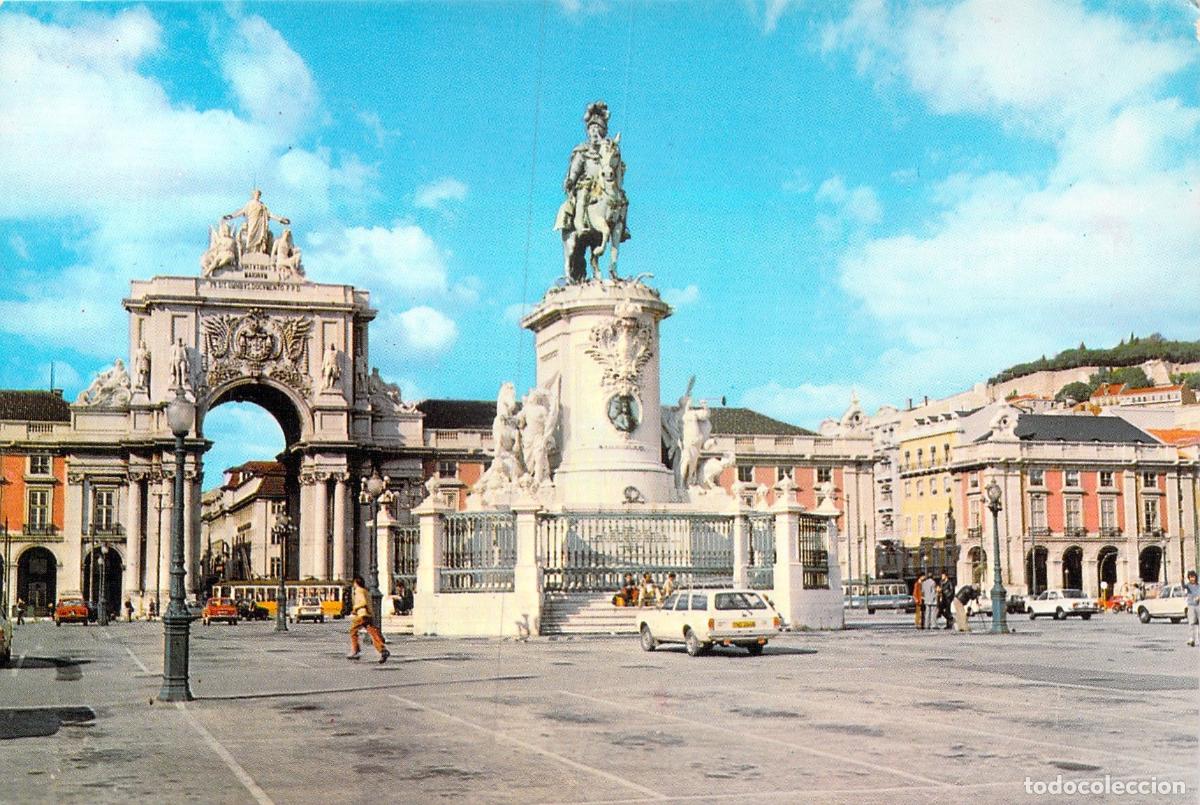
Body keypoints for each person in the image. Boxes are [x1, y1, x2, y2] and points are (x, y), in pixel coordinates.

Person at [223, 189, 290, 255]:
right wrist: (231, 216)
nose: (257, 196)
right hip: (252, 222)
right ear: (253, 195)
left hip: (260, 224)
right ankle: (249, 251)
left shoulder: (262, 205)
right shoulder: (249, 204)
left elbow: (270, 214)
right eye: (256, 194)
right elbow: (241, 211)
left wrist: (281, 219)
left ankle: (259, 251)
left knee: (261, 238)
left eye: (259, 195)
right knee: (251, 235)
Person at [348, 575, 389, 663]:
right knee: (373, 634)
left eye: (354, 583)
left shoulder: (359, 591)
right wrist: (371, 614)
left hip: (361, 615)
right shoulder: (366, 591)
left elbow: (363, 602)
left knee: (352, 631)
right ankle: (383, 650)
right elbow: (369, 604)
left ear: (356, 583)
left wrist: (355, 608)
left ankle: (355, 650)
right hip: (368, 615)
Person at [1184, 570, 1200, 648]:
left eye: (1193, 577)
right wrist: (1181, 579)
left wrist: (1198, 597)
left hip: (1199, 605)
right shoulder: (1188, 586)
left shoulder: (1198, 586)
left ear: (1195, 577)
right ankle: (1191, 639)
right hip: (1191, 606)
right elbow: (1183, 586)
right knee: (1191, 623)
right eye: (1190, 577)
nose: (1192, 579)